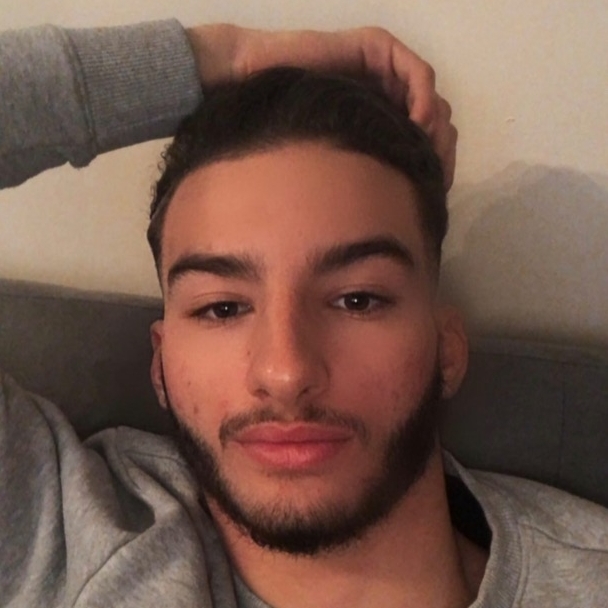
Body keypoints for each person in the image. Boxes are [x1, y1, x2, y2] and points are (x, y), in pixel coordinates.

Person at [1, 18, 607, 608]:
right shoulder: (72, 542)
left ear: (447, 348)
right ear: (160, 364)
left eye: (357, 300)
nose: (286, 373)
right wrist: (223, 57)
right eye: (222, 308)